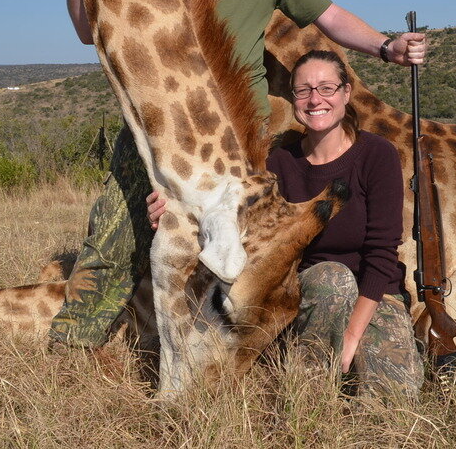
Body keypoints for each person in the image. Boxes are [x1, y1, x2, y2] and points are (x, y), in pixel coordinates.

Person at [50, 0, 427, 350]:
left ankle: (239, 349)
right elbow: (87, 33)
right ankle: (74, 347)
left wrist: (386, 46)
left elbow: (328, 15)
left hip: (243, 134)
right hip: (161, 128)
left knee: (243, 249)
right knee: (118, 230)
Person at [148, 50, 423, 397]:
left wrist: (354, 334)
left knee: (395, 399)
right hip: (313, 290)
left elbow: (382, 253)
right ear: (294, 98)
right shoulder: (279, 161)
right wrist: (171, 211)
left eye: (326, 88)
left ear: (346, 94)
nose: (315, 99)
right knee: (331, 278)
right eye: (304, 90)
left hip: (374, 293)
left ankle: (351, 360)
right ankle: (311, 385)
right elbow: (235, 213)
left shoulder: (377, 154)